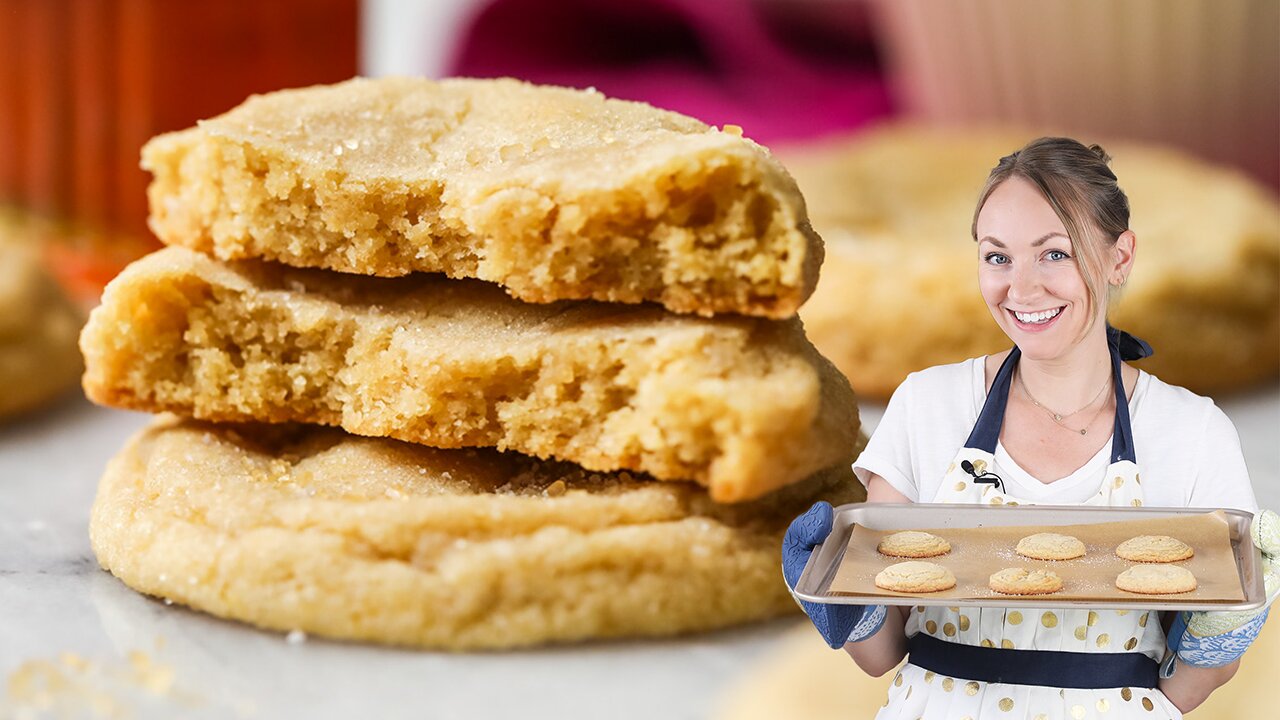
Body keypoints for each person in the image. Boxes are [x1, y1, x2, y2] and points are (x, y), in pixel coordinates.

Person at [782, 137, 1276, 718]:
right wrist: (835, 595)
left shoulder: (1192, 430)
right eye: (998, 257)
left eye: (1054, 254)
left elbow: (1193, 684)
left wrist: (1225, 625)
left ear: (1121, 257)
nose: (1021, 287)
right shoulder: (928, 404)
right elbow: (883, 652)